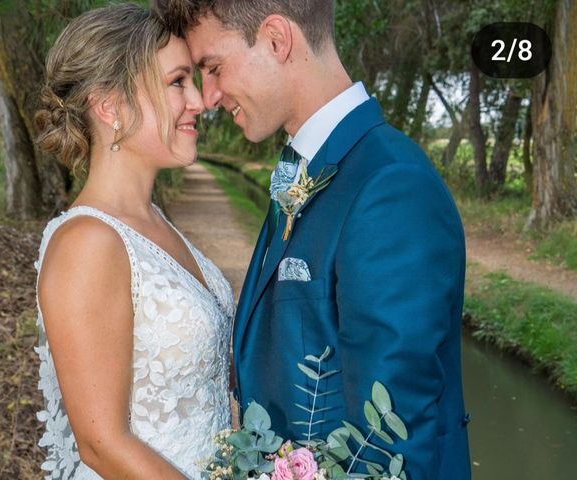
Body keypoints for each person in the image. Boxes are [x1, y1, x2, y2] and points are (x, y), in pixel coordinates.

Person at [156, 1, 472, 478]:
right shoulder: (303, 168)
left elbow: (393, 439)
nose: (211, 95)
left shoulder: (390, 186)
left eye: (214, 68)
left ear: (277, 39)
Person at [33, 4, 234, 479]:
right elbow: (102, 444)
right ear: (110, 106)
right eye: (177, 82)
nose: (200, 102)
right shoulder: (87, 243)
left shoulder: (154, 222)